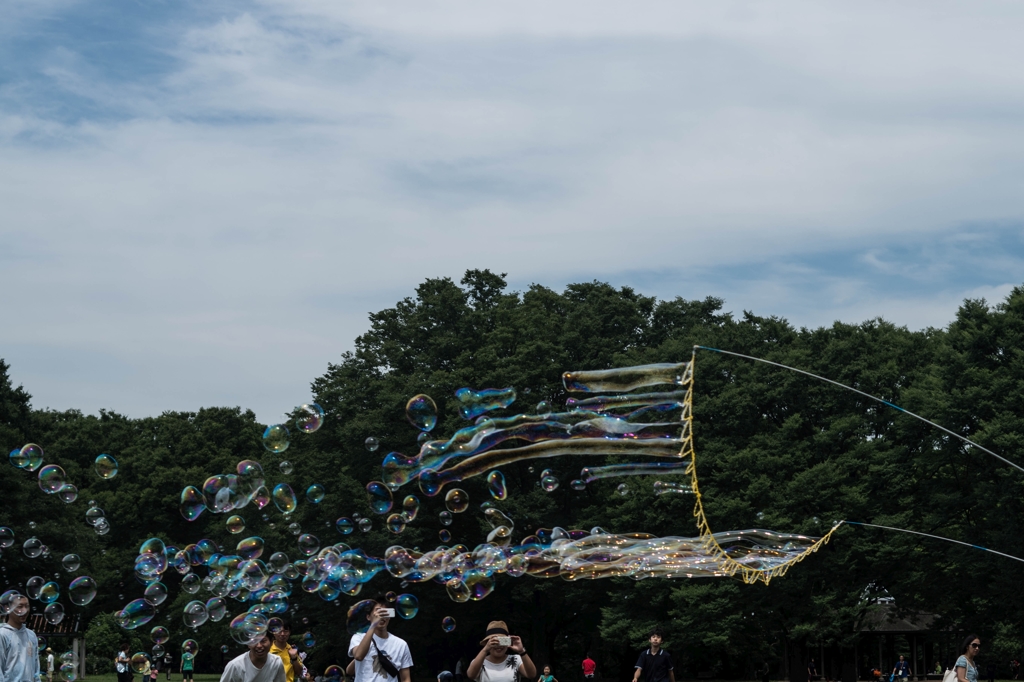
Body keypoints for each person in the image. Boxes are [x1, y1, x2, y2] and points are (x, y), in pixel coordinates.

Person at [349, 597, 414, 682]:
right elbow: (358, 656)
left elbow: (405, 678)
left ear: (390, 616)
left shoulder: (401, 644)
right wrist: (373, 625)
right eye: (378, 611)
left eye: (385, 612)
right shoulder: (358, 637)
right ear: (368, 617)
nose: (381, 615)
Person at [468, 620, 536, 682]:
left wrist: (522, 651)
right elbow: (471, 675)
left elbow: (531, 675)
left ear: (507, 642)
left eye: (502, 641)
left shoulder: (515, 659)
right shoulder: (480, 661)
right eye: (494, 642)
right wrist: (485, 650)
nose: (499, 646)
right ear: (487, 643)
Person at [0, 595, 40, 682]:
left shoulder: (31, 635)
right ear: (8, 609)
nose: (25, 610)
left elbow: (36, 668)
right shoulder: (2, 634)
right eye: (20, 606)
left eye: (27, 606)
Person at [220, 633, 286, 682]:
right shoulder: (235, 666)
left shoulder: (276, 662)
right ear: (248, 644)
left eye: (263, 641)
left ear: (271, 642)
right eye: (254, 641)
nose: (259, 646)